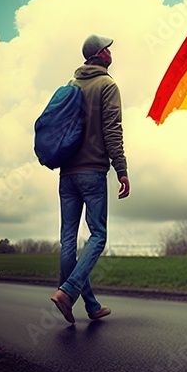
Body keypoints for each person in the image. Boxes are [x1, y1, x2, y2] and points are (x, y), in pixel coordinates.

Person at [50, 34, 130, 324]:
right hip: (92, 172)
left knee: (67, 238)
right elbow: (112, 131)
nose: (111, 51)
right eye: (107, 48)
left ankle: (91, 305)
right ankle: (68, 292)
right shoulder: (107, 85)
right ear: (99, 55)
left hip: (66, 174)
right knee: (98, 235)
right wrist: (121, 168)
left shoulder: (71, 85)